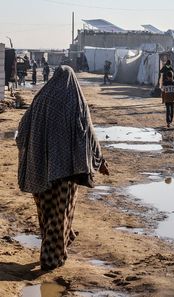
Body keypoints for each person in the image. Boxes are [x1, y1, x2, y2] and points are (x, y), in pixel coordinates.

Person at [16, 65, 109, 271]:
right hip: (65, 171)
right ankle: (50, 259)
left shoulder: (41, 98)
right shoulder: (74, 99)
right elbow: (87, 130)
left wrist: (31, 154)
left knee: (46, 213)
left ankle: (58, 245)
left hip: (38, 170)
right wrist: (99, 159)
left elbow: (21, 131)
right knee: (60, 214)